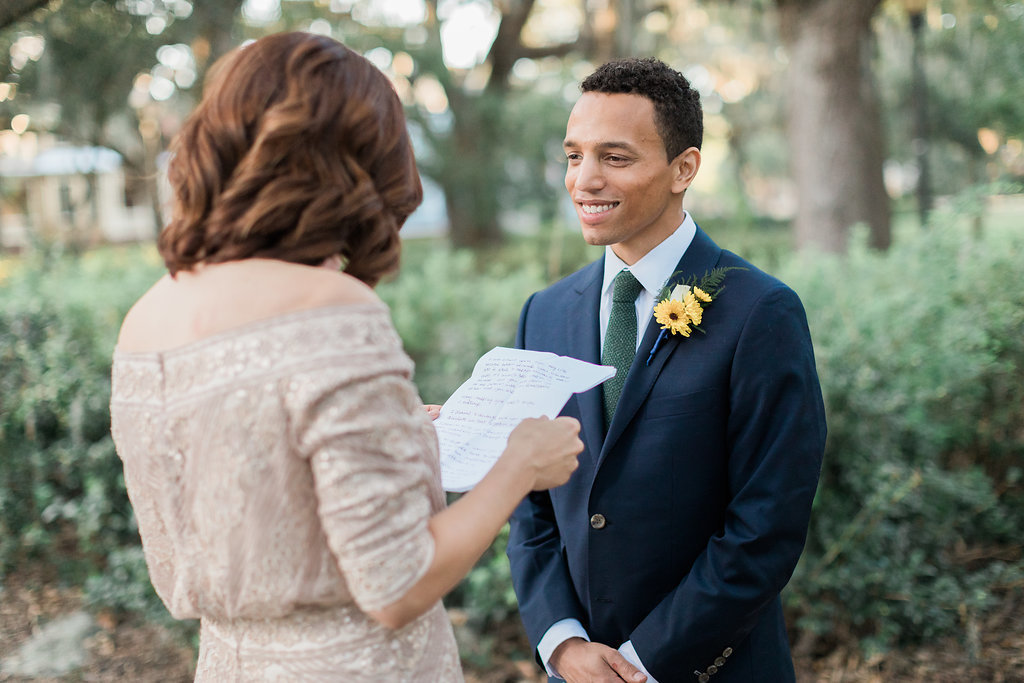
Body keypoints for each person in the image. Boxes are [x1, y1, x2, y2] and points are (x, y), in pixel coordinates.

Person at [109, 32, 583, 681]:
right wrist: (518, 463)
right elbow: (397, 585)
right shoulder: (329, 305)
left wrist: (404, 433)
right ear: (355, 160)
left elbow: (268, 486)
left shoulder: (147, 316)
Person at [506, 57, 827, 683]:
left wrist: (641, 663)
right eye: (574, 156)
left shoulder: (761, 312)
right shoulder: (542, 315)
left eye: (615, 158)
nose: (584, 181)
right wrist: (563, 644)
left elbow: (766, 524)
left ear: (685, 168)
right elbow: (532, 506)